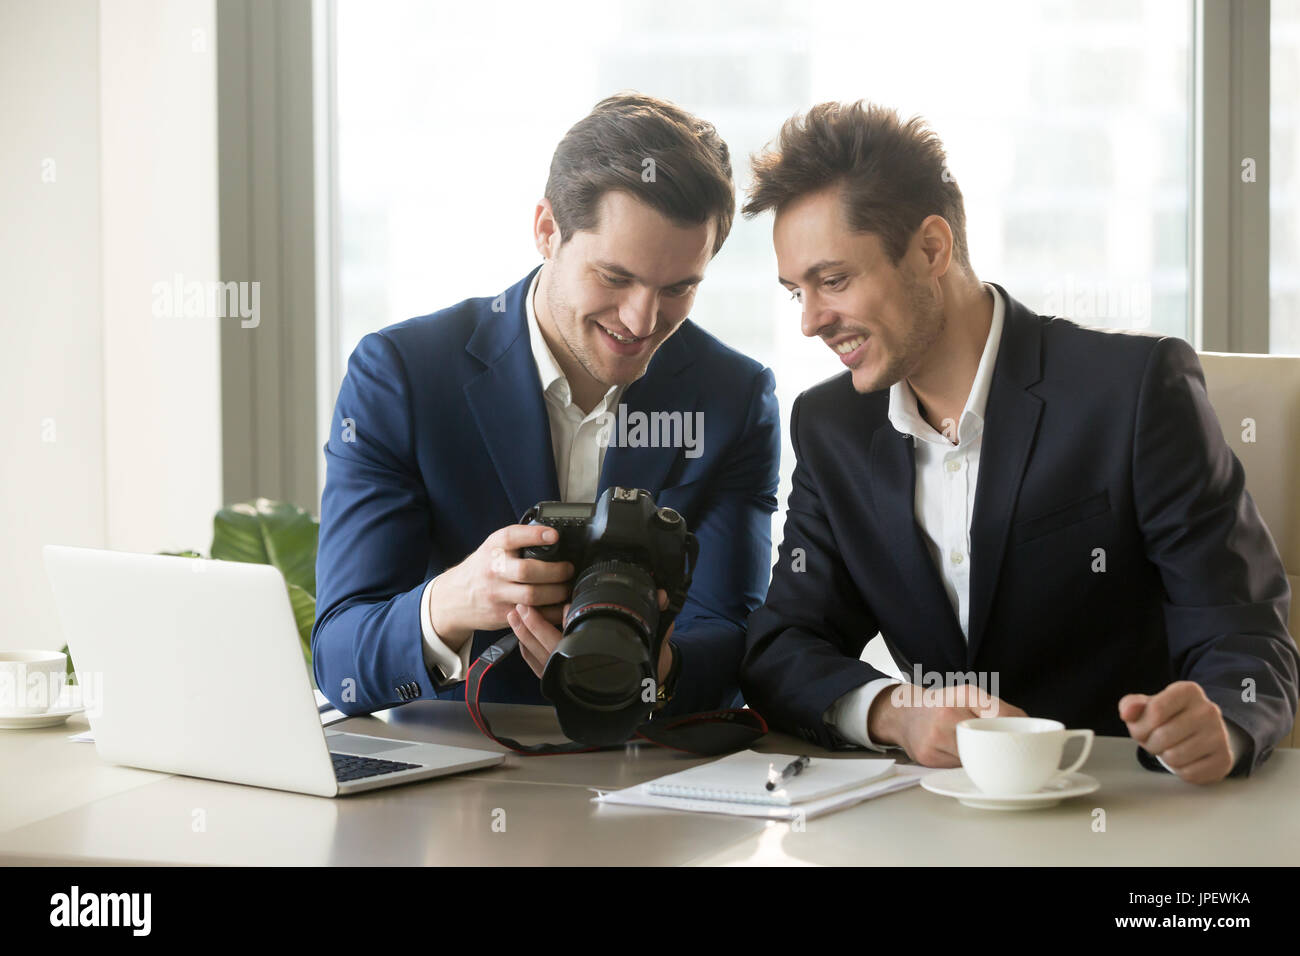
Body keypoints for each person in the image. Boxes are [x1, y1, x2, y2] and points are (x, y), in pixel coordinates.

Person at [738, 100, 1297, 783]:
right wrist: (896, 710)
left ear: (932, 249)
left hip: (1124, 808)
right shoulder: (831, 429)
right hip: (937, 820)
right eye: (797, 292)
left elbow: (1242, 631)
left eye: (834, 280)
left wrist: (1225, 723)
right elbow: (783, 645)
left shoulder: (1133, 391)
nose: (812, 322)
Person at [313, 93, 780, 724]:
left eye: (678, 288)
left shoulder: (734, 397)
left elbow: (730, 644)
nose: (643, 321)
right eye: (615, 277)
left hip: (650, 778)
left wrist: (655, 669)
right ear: (546, 231)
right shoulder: (402, 376)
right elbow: (341, 659)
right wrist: (453, 599)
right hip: (457, 780)